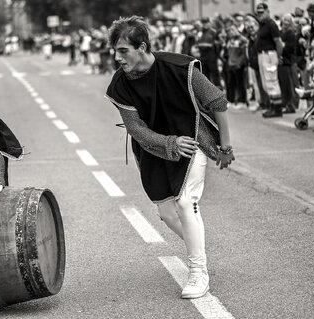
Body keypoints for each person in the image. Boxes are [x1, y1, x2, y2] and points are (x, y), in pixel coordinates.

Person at [105, 16, 234, 299]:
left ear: (142, 47)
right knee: (166, 213)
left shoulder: (180, 68)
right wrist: (168, 143)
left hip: (192, 142)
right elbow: (136, 129)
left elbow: (218, 102)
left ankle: (198, 272)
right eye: (114, 51)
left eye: (123, 51)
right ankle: (197, 249)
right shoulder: (120, 84)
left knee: (186, 202)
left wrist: (224, 148)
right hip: (154, 150)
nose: (117, 58)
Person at [255, 2, 284, 118]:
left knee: (272, 81)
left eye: (262, 13)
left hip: (269, 55)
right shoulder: (262, 24)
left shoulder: (271, 24)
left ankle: (277, 109)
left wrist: (279, 56)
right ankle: (272, 105)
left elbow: (278, 42)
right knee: (266, 83)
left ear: (268, 12)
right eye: (258, 13)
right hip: (262, 55)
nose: (259, 15)